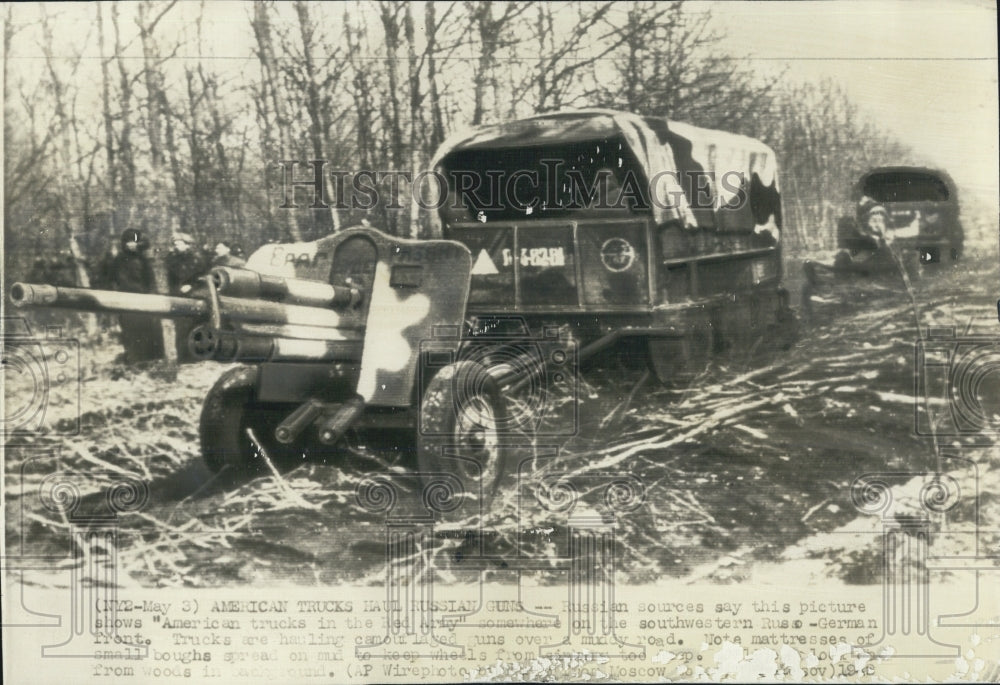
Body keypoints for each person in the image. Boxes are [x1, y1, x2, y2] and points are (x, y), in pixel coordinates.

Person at [110, 228, 164, 363]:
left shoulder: (143, 260)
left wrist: (151, 295)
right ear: (125, 244)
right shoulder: (118, 260)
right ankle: (133, 360)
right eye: (129, 242)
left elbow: (150, 280)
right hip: (126, 301)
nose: (132, 245)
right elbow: (114, 280)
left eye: (135, 242)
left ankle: (149, 360)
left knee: (147, 330)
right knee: (130, 331)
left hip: (143, 301)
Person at [166, 232, 209, 362]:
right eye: (175, 244)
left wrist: (191, 285)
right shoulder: (172, 260)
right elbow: (170, 280)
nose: (177, 246)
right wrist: (175, 291)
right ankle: (183, 358)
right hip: (178, 297)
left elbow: (204, 277)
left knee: (195, 327)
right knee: (180, 329)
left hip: (195, 297)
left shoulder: (197, 259)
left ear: (188, 245)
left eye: (180, 243)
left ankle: (197, 356)